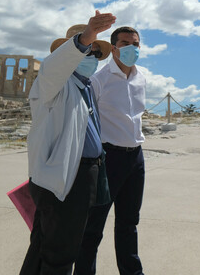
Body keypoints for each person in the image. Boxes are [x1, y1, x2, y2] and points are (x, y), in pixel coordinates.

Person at [20, 11, 115, 275]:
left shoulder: (85, 87)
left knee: (45, 246)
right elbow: (52, 67)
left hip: (87, 174)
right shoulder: (53, 85)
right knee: (59, 254)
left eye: (96, 53)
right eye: (87, 50)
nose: (92, 57)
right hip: (66, 178)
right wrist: (86, 36)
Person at [76, 27, 147, 275]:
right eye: (125, 43)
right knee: (93, 227)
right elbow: (85, 121)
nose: (132, 48)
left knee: (129, 223)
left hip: (136, 157)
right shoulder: (99, 79)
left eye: (136, 44)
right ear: (114, 48)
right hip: (108, 158)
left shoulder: (141, 78)